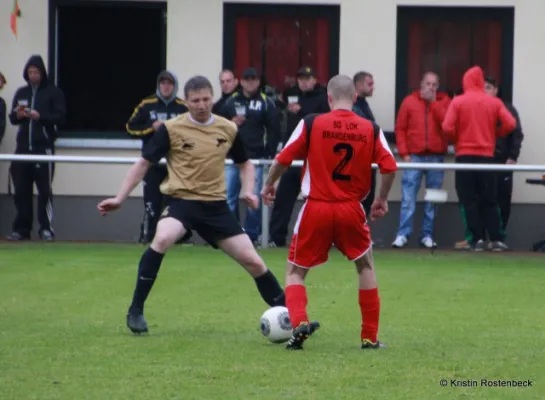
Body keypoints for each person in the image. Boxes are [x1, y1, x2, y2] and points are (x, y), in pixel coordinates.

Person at [98, 75, 286, 334]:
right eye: (195, 100)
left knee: (253, 260)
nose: (201, 105)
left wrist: (248, 191)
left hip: (216, 207)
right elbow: (144, 163)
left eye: (206, 99)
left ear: (213, 98)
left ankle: (292, 316)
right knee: (162, 238)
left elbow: (245, 164)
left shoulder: (228, 128)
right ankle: (136, 310)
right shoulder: (171, 128)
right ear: (186, 102)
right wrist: (120, 198)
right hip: (182, 202)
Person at [261, 75, 398, 350]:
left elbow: (282, 159)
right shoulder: (370, 128)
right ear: (355, 98)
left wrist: (268, 185)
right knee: (365, 266)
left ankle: (299, 321)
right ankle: (369, 337)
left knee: (295, 272)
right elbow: (390, 166)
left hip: (316, 207)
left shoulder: (312, 123)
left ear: (329, 98)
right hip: (351, 208)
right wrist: (380, 199)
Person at [442, 66, 516, 251]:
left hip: (464, 157)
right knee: (490, 198)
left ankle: (477, 239)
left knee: (468, 199)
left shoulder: (458, 101)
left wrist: (458, 138)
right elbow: (511, 124)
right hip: (487, 157)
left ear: (465, 81)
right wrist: (495, 133)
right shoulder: (494, 102)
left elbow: (446, 128)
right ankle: (497, 239)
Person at [267, 66, 329, 248]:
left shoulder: (322, 97)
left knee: (318, 201)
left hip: (314, 157)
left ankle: (321, 239)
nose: (304, 81)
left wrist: (300, 111)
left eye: (308, 78)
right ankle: (276, 239)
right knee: (283, 199)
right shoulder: (291, 93)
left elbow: (322, 121)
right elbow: (277, 108)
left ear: (314, 79)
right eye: (301, 78)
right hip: (293, 155)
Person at [7, 55, 66, 241]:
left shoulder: (54, 93)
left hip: (43, 149)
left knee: (44, 190)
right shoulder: (21, 92)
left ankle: (46, 228)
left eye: (36, 72)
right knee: (21, 190)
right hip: (23, 148)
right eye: (30, 72)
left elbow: (60, 118)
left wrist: (40, 117)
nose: (33, 76)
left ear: (42, 73)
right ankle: (22, 229)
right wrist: (19, 115)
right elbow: (12, 118)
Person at [126, 70, 188, 244]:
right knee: (151, 203)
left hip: (175, 164)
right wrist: (150, 128)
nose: (166, 87)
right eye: (163, 83)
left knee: (174, 202)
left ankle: (177, 237)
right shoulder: (147, 104)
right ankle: (147, 236)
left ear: (174, 86)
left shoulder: (183, 107)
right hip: (152, 163)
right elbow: (130, 128)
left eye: (169, 83)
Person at [220, 67, 281, 244]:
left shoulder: (266, 102)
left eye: (254, 79)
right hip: (232, 158)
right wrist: (231, 123)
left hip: (256, 158)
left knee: (253, 199)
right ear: (241, 81)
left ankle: (251, 235)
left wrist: (268, 154)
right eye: (247, 79)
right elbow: (218, 127)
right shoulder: (230, 102)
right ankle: (230, 234)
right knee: (229, 196)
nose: (250, 82)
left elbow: (274, 130)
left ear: (258, 81)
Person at [392, 72, 451, 249]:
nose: (431, 87)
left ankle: (427, 234)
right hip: (414, 156)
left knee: (432, 198)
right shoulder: (409, 102)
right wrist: (404, 154)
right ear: (421, 84)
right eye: (428, 84)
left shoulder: (444, 102)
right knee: (408, 198)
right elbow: (400, 129)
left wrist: (433, 103)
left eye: (434, 84)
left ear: (438, 86)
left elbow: (447, 125)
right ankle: (403, 234)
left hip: (436, 156)